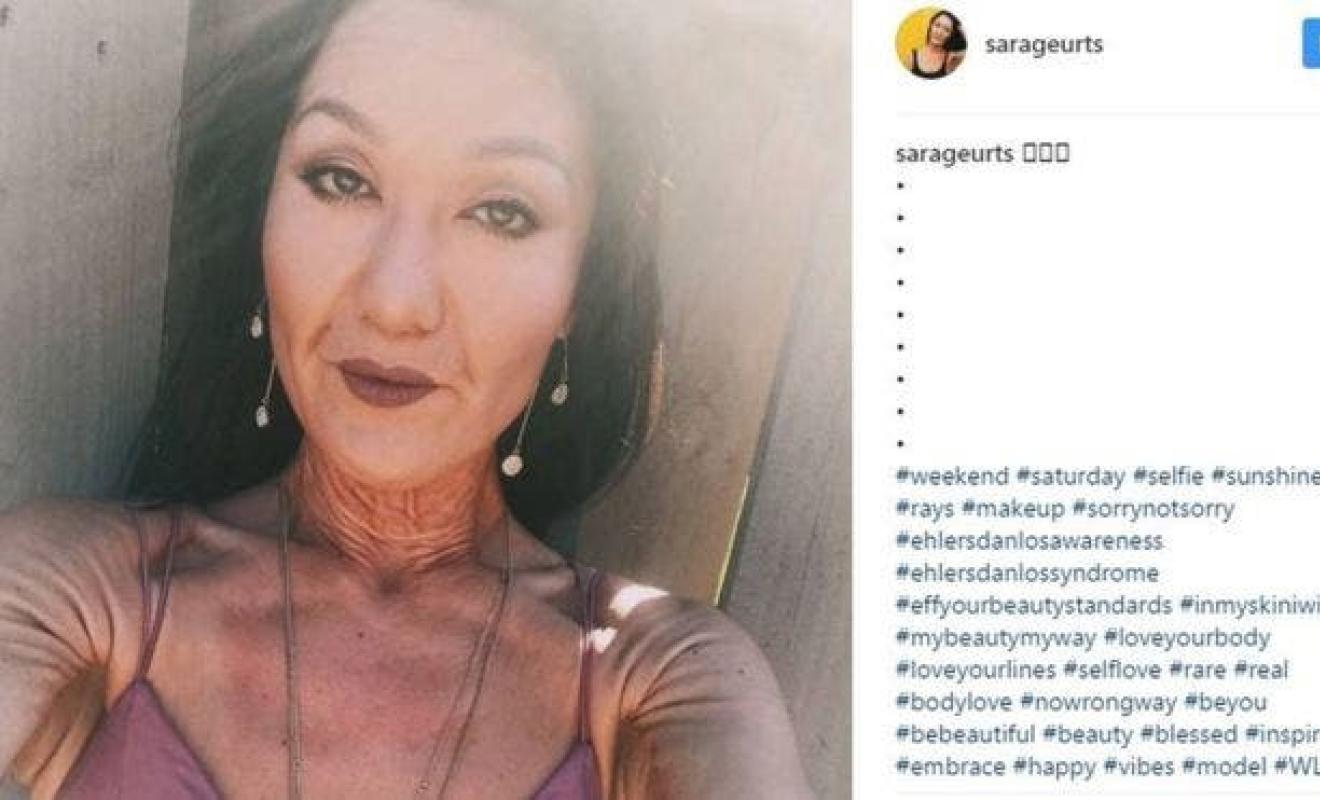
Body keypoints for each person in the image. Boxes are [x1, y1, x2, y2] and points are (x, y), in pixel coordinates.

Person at [0, 0, 811, 797]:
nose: (395, 300)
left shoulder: (660, 680)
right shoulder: (84, 592)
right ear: (263, 215)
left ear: (581, 287)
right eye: (341, 178)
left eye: (500, 211)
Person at [908, 10, 967, 79]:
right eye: (937, 25)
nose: (939, 32)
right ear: (930, 26)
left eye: (946, 30)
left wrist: (960, 27)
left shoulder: (951, 59)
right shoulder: (913, 56)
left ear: (950, 35)